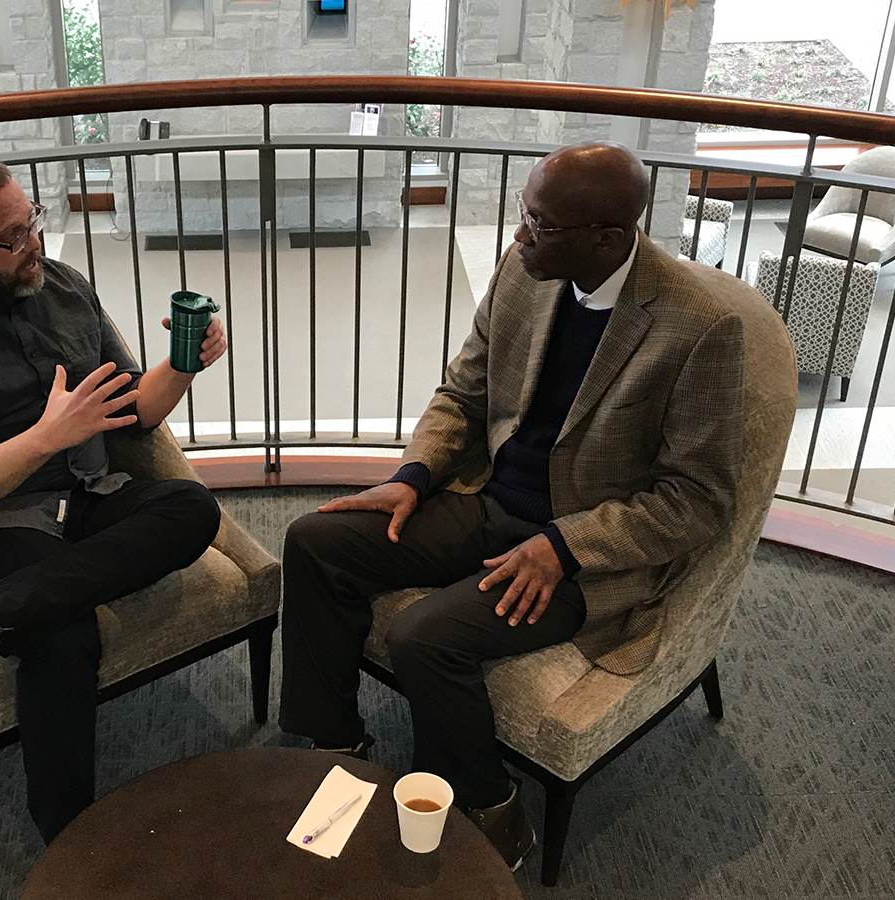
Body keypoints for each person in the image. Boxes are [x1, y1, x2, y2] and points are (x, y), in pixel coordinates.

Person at [278, 142, 750, 870]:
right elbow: (463, 392)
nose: (519, 236)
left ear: (607, 237)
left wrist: (564, 548)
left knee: (424, 636)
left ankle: (493, 812)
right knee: (317, 541)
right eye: (525, 216)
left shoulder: (699, 328)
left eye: (540, 224)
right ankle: (338, 745)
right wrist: (414, 474)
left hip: (580, 559)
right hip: (487, 499)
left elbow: (699, 499)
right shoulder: (524, 272)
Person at [0, 153, 228, 843]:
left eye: (30, 220)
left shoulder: (60, 286)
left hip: (87, 494)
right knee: (63, 637)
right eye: (9, 237)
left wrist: (184, 363)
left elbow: (132, 410)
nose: (31, 242)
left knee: (192, 509)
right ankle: (70, 846)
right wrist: (43, 439)